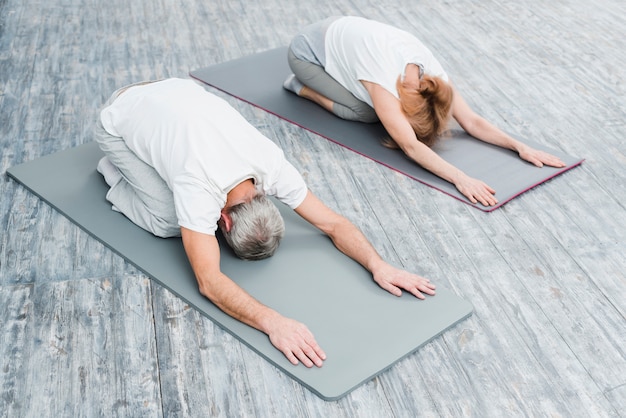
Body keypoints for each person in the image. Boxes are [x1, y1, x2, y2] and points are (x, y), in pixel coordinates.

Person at [94, 78, 436, 368]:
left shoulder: (272, 166)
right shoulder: (197, 192)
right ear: (223, 221)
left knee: (178, 201)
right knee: (169, 221)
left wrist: (379, 265)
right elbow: (209, 281)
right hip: (121, 110)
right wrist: (272, 321)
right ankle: (115, 171)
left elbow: (334, 224)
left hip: (178, 88)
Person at [283, 16, 566, 207]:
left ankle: (337, 75)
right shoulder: (381, 78)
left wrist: (520, 147)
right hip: (307, 53)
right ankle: (301, 87)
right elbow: (410, 145)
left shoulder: (434, 76)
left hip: (342, 31)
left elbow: (471, 121)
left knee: (375, 110)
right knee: (364, 112)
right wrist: (461, 178)